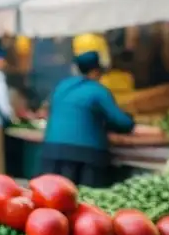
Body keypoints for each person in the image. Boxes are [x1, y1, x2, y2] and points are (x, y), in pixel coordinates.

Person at [41, 50, 137, 187]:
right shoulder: (98, 90)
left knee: (53, 195)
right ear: (95, 71)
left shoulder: (61, 86)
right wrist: (129, 120)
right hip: (87, 155)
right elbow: (122, 122)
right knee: (86, 200)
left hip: (52, 151)